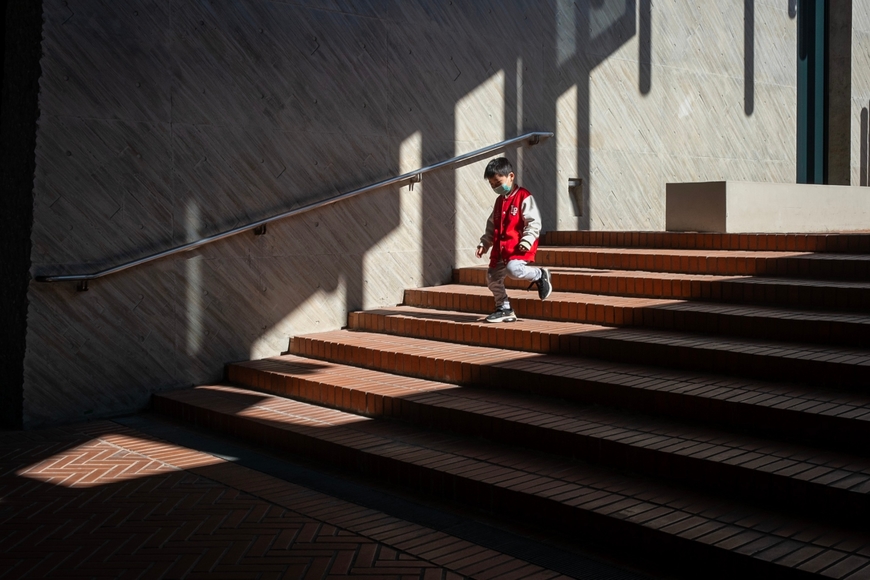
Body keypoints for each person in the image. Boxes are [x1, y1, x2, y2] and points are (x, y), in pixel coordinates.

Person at [475, 157, 551, 323]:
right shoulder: (499, 201)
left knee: (513, 270)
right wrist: (484, 244)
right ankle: (504, 308)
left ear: (511, 176)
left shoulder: (523, 196)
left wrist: (527, 240)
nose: (496, 187)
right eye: (492, 184)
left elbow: (533, 222)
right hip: (500, 249)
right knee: (492, 278)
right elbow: (491, 226)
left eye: (498, 182)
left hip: (517, 247)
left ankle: (539, 275)